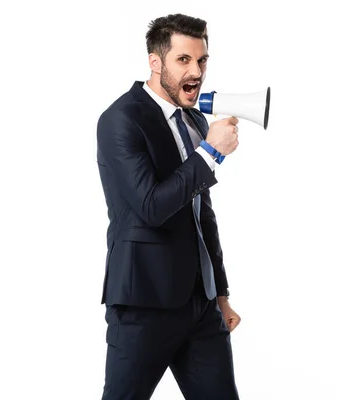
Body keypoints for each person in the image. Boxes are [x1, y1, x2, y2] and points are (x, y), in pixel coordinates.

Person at [96, 13, 242, 399]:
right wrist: (209, 152)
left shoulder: (193, 118)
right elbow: (151, 207)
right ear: (155, 62)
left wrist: (220, 292)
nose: (197, 71)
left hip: (201, 304)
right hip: (143, 302)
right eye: (184, 60)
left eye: (202, 60)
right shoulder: (120, 120)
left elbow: (201, 213)